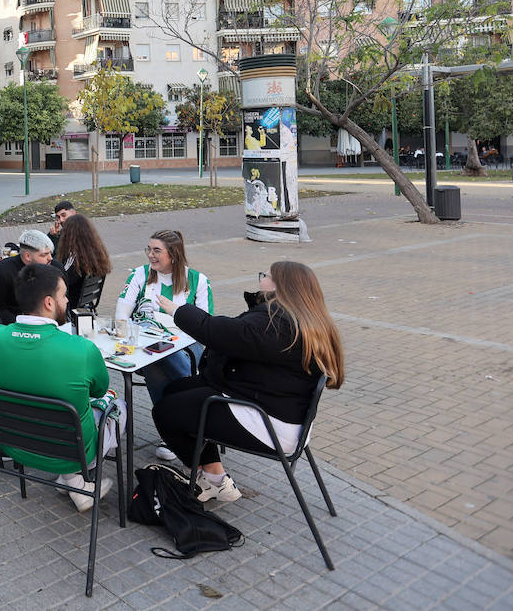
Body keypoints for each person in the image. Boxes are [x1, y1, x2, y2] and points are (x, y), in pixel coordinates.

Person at [152, 261, 345, 503]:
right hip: (281, 407)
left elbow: (220, 332)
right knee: (177, 389)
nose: (261, 278)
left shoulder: (277, 323)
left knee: (165, 411)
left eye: (266, 275)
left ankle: (212, 480)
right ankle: (212, 473)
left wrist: (177, 310)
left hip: (270, 422)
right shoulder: (304, 318)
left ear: (281, 286)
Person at [0, 262, 115, 510]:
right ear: (49, 303)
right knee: (117, 407)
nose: (67, 301)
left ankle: (71, 480)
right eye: (64, 295)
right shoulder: (81, 348)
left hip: (14, 444)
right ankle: (78, 479)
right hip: (73, 450)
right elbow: (99, 391)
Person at [115, 229, 213, 462]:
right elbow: (120, 317)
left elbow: (205, 328)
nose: (150, 255)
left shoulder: (198, 280)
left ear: (174, 254)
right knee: (156, 358)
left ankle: (172, 427)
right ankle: (183, 424)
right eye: (148, 249)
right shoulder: (140, 274)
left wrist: (166, 318)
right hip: (148, 349)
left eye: (156, 250)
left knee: (159, 360)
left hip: (189, 350)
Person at [0, 229, 61, 324]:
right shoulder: (3, 271)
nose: (50, 258)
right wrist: (20, 325)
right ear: (27, 256)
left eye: (50, 253)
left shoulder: (55, 268)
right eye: (44, 255)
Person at [54, 214, 112, 316]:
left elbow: (61, 279)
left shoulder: (75, 259)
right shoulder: (92, 253)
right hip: (82, 300)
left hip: (69, 302)